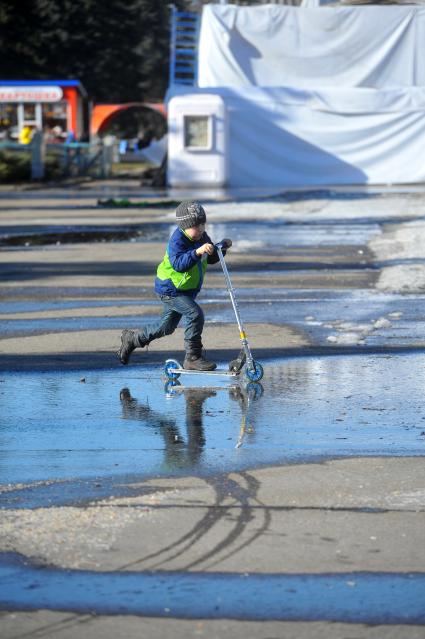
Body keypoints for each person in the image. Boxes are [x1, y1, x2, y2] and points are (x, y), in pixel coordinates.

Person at [117, 200, 232, 371]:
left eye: (202, 224)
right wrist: (197, 252)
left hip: (186, 290)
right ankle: (193, 358)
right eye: (195, 225)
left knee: (166, 327)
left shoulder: (202, 236)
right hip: (170, 289)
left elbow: (212, 257)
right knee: (195, 314)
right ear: (184, 226)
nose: (200, 228)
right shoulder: (177, 240)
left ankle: (133, 339)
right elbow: (179, 264)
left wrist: (221, 248)